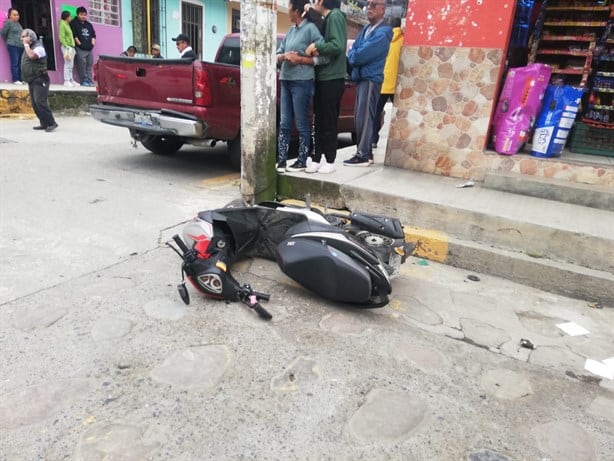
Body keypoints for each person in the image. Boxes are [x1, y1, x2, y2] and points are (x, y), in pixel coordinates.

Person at [276, 0, 326, 173]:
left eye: (289, 7)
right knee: (284, 122)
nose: (288, 10)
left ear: (296, 11)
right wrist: (283, 57)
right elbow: (277, 54)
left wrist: (301, 60)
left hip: (302, 81)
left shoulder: (311, 29)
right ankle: (281, 160)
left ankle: (302, 160)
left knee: (301, 122)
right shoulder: (290, 31)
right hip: (286, 79)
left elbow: (324, 57)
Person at [343, 1, 391, 167]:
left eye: (373, 4)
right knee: (359, 116)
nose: (368, 8)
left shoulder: (383, 32)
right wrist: (355, 54)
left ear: (383, 9)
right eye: (368, 4)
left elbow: (358, 56)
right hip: (361, 77)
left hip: (370, 79)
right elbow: (354, 50)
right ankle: (361, 152)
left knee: (365, 116)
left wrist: (355, 55)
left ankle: (364, 154)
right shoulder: (366, 29)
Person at [303, 0, 347, 174]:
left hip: (333, 78)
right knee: (318, 120)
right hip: (323, 77)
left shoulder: (335, 16)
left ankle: (329, 159)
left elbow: (338, 45)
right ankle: (316, 158)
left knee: (328, 120)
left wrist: (317, 46)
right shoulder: (326, 19)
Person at [372, 17, 403, 148]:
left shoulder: (383, 38)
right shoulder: (404, 40)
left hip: (381, 82)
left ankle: (373, 140)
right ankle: (399, 142)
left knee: (375, 113)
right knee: (399, 116)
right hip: (397, 84)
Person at [20, 28, 58, 132]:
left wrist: (26, 45)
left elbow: (32, 56)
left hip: (40, 78)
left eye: (24, 37)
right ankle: (43, 123)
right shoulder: (28, 48)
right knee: (34, 103)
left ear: (30, 37)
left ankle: (51, 123)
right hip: (31, 79)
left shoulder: (39, 47)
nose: (22, 39)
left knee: (40, 101)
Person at [70, 6, 96, 86]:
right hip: (80, 48)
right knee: (82, 64)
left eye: (85, 15)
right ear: (77, 15)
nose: (83, 16)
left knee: (89, 64)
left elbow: (93, 35)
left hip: (89, 48)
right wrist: (80, 44)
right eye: (81, 14)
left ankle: (90, 80)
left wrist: (92, 44)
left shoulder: (89, 24)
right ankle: (84, 80)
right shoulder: (74, 23)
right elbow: (74, 36)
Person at [1, 8, 24, 84]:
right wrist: (8, 41)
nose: (16, 16)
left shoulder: (18, 24)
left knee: (20, 63)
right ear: (9, 15)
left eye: (17, 15)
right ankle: (15, 79)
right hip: (13, 45)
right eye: (14, 15)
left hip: (20, 46)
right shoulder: (8, 23)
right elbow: (3, 33)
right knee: (15, 62)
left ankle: (21, 79)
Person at [58, 11, 76, 86]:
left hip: (71, 46)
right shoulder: (62, 24)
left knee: (71, 64)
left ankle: (71, 80)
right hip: (67, 47)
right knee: (67, 64)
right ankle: (66, 80)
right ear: (67, 17)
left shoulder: (67, 24)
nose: (71, 18)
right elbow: (61, 37)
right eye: (70, 17)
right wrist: (66, 46)